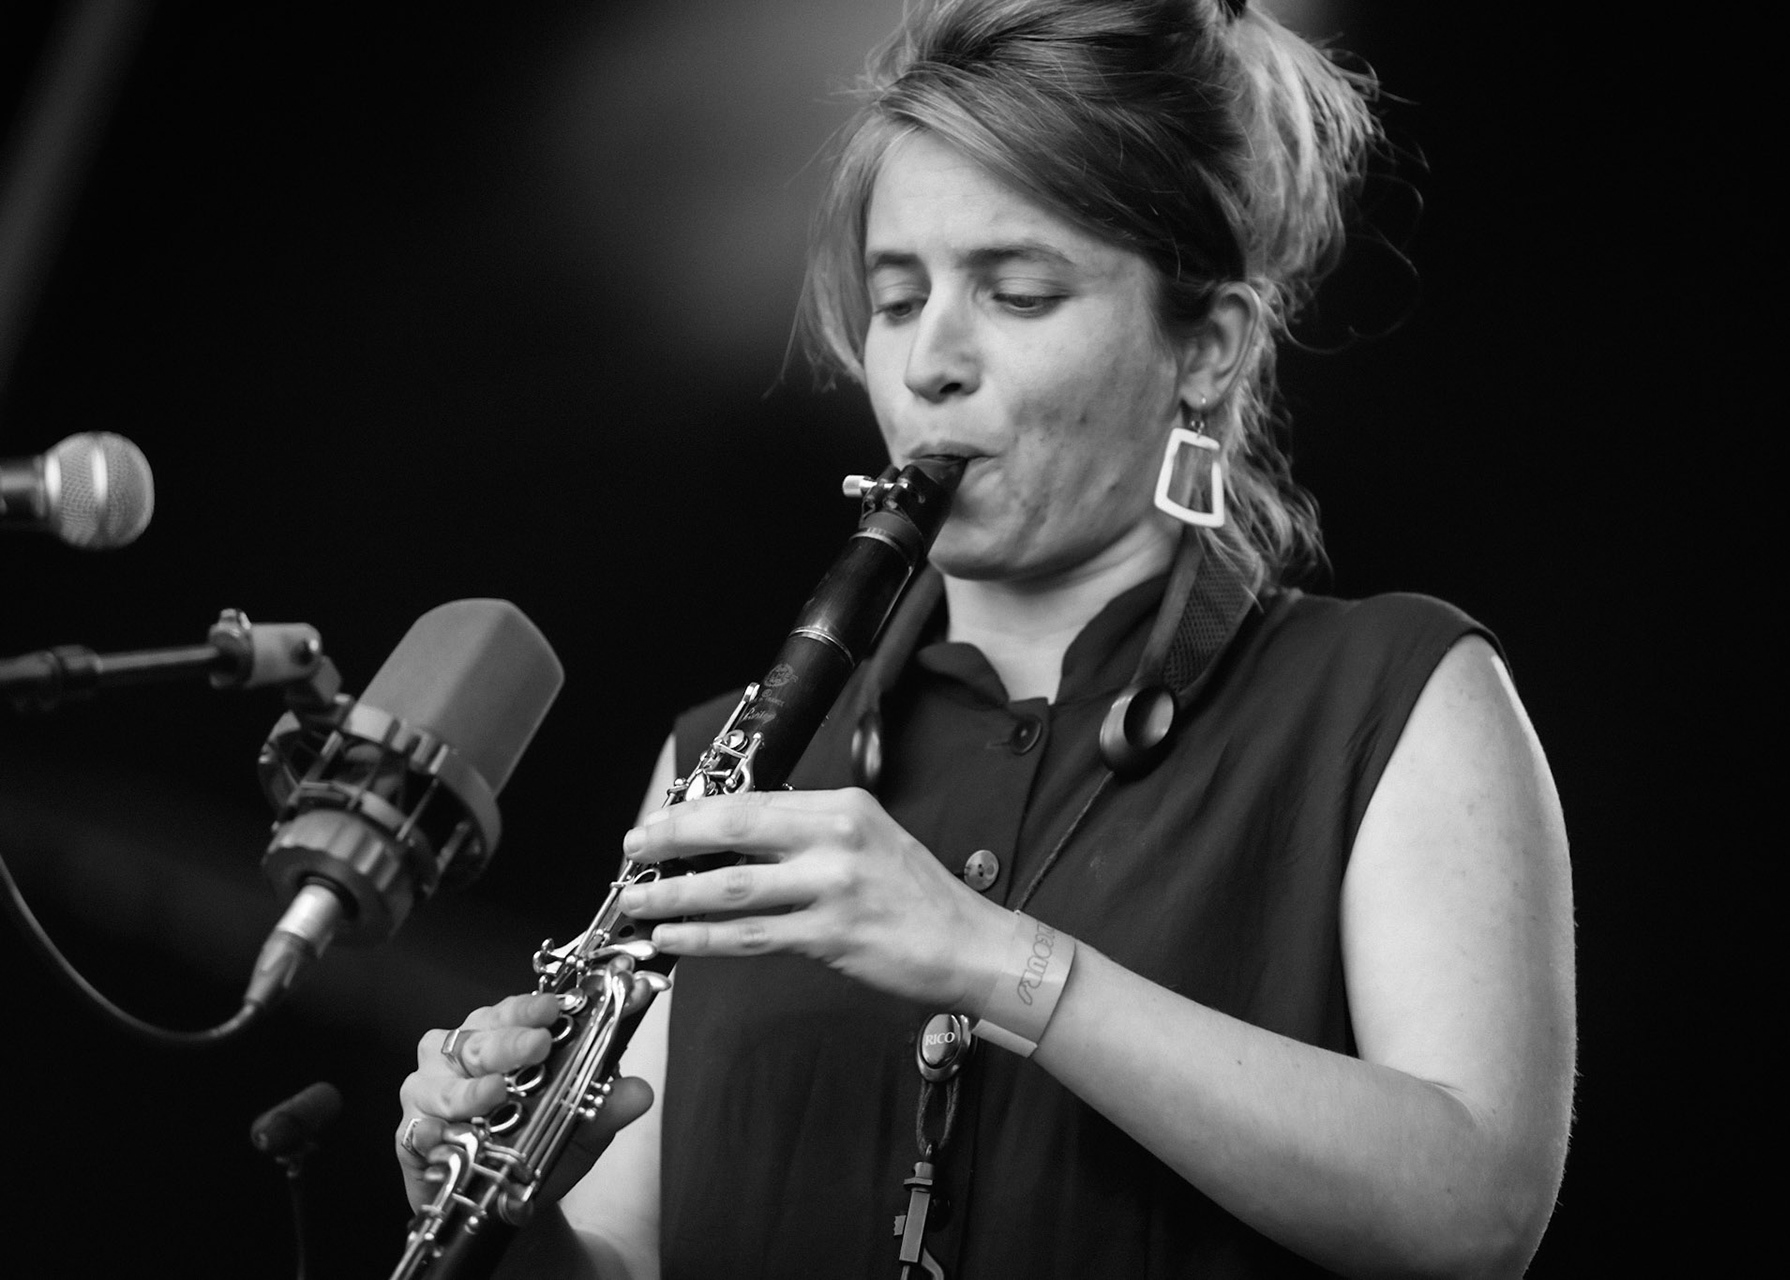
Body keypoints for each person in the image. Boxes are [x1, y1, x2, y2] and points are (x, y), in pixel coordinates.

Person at [396, 1, 1575, 1276]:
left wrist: (987, 953)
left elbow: (1475, 1207)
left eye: (1016, 294)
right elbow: (626, 1254)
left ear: (1212, 347)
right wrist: (505, 1212)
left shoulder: (1391, 696)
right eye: (898, 301)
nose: (931, 364)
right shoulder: (721, 764)